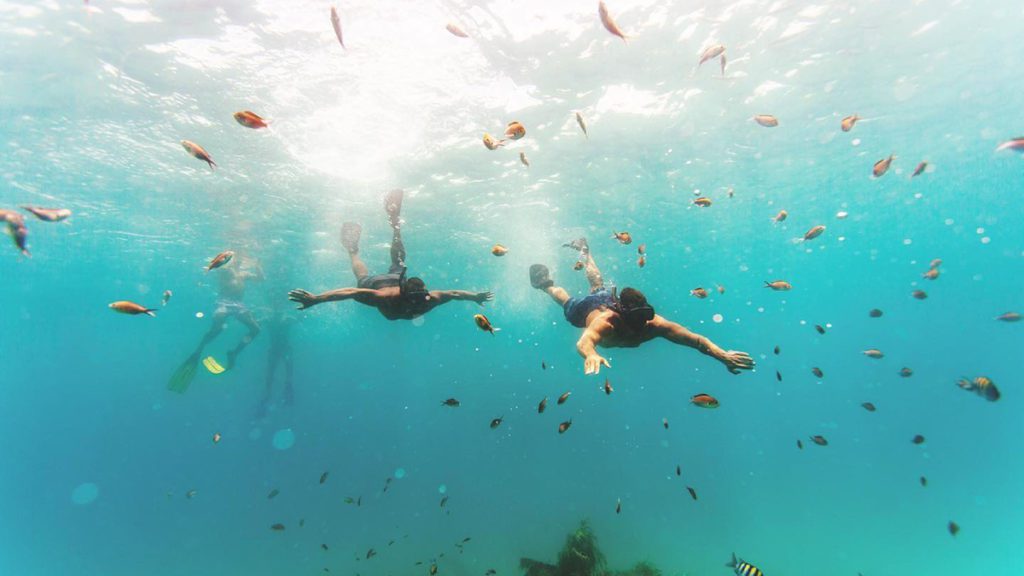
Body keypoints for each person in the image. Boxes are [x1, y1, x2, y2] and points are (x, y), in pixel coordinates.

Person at [529, 238, 754, 375]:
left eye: (645, 315)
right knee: (566, 302)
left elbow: (696, 340)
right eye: (638, 318)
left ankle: (585, 251)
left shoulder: (653, 323)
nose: (643, 323)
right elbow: (584, 342)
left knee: (598, 285)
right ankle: (546, 285)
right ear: (622, 314)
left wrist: (722, 355)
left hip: (608, 300)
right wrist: (590, 355)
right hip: (591, 308)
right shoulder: (606, 323)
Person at [288, 189, 493, 319]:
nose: (419, 302)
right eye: (418, 298)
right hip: (383, 282)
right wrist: (315, 299)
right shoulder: (386, 297)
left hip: (396, 278)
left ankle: (390, 229)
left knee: (396, 263)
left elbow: (455, 294)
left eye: (420, 297)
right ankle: (363, 245)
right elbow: (350, 292)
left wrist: (475, 297)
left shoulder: (428, 298)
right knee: (367, 276)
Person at [167, 255, 264, 393]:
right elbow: (213, 267)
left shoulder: (244, 273)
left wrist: (258, 266)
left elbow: (260, 279)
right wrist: (222, 261)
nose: (239, 259)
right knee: (218, 325)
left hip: (239, 304)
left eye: (240, 257)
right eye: (237, 257)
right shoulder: (225, 269)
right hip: (224, 301)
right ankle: (199, 350)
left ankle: (234, 353)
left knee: (256, 329)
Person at [255, 304, 297, 418]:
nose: (277, 312)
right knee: (271, 375)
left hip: (281, 349)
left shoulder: (281, 319)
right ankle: (268, 397)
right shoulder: (273, 319)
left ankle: (274, 395)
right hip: (279, 350)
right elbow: (256, 322)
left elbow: (256, 322)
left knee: (277, 374)